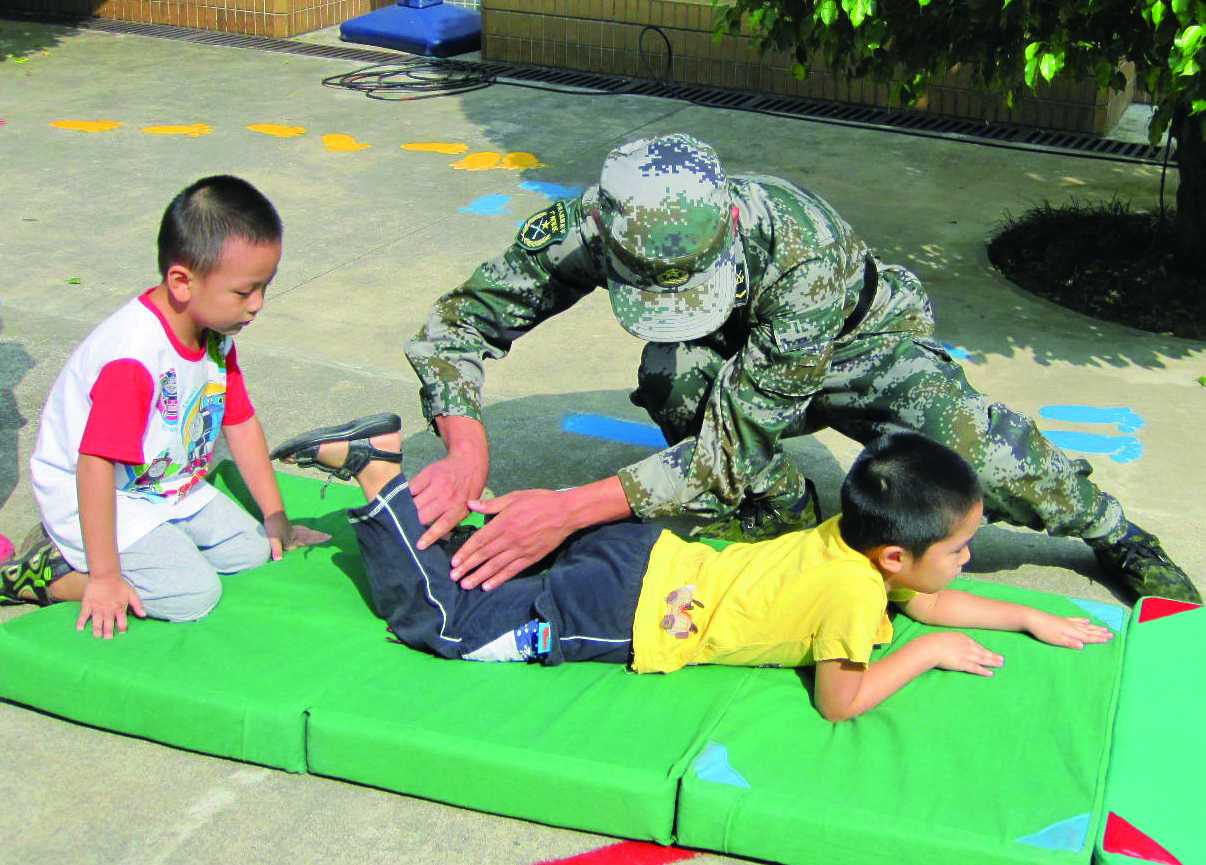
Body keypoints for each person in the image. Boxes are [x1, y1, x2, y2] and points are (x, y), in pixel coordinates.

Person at [403, 132, 1199, 604]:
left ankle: (1115, 532)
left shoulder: (801, 247)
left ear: (734, 220)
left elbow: (732, 440)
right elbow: (458, 323)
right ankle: (777, 513)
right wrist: (467, 443)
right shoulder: (587, 227)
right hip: (745, 359)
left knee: (978, 451)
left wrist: (571, 507)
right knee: (673, 374)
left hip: (863, 346)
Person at [270, 417, 1113, 721]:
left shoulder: (848, 538)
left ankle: (428, 508)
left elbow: (928, 599)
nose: (966, 564)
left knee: (501, 572)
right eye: (959, 549)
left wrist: (1027, 616)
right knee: (447, 622)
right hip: (625, 613)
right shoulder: (856, 594)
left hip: (648, 550)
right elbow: (841, 700)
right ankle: (379, 470)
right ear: (895, 555)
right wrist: (921, 655)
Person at [0, 175, 328, 637]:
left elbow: (241, 423)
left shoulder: (215, 336)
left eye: (264, 288)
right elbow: (94, 466)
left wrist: (278, 519)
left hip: (165, 488)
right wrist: (106, 577)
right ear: (181, 281)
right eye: (243, 291)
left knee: (253, 549)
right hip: (102, 496)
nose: (257, 305)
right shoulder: (133, 359)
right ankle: (50, 571)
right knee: (191, 594)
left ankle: (145, 549)